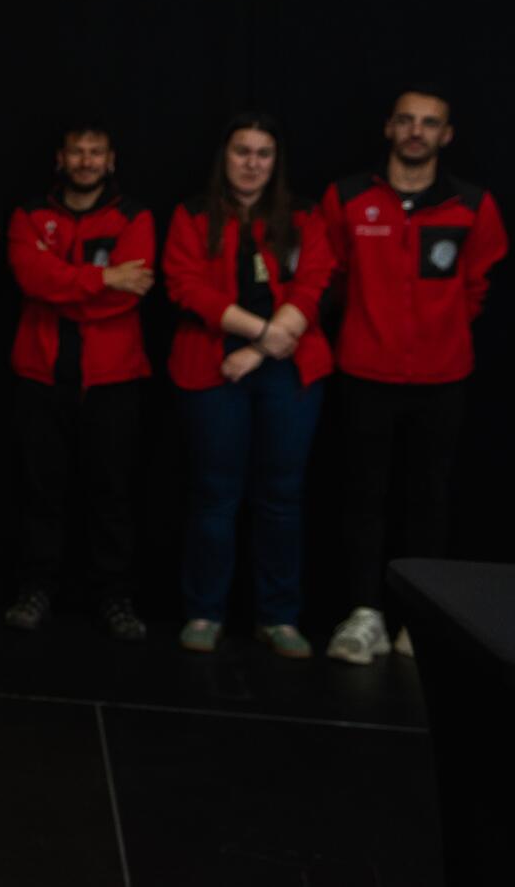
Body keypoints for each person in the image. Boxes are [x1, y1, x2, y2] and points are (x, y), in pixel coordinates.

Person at [319, 87, 507, 665]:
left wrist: (439, 332)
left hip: (441, 377)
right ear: (389, 128)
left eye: (429, 123)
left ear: (446, 136)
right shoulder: (347, 196)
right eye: (406, 120)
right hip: (364, 371)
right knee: (363, 497)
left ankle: (417, 621)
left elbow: (478, 284)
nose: (416, 131)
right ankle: (364, 614)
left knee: (429, 501)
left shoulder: (472, 203)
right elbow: (331, 276)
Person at [162, 112, 334, 658]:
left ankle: (278, 617)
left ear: (276, 162)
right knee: (214, 495)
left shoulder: (304, 214)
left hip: (288, 368)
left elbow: (315, 283)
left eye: (263, 153)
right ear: (225, 157)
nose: (252, 164)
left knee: (281, 497)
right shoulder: (192, 214)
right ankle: (205, 611)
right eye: (242, 152)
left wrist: (259, 351)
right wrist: (260, 333)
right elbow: (185, 285)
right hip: (211, 366)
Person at [3, 120, 155, 641]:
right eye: (77, 152)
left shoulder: (134, 216)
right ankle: (35, 590)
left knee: (112, 496)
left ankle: (115, 597)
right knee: (40, 493)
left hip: (113, 378)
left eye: (96, 153)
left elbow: (128, 295)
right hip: (40, 375)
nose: (86, 161)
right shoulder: (29, 214)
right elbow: (31, 278)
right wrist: (104, 277)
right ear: (60, 159)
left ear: (110, 161)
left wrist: (67, 286)